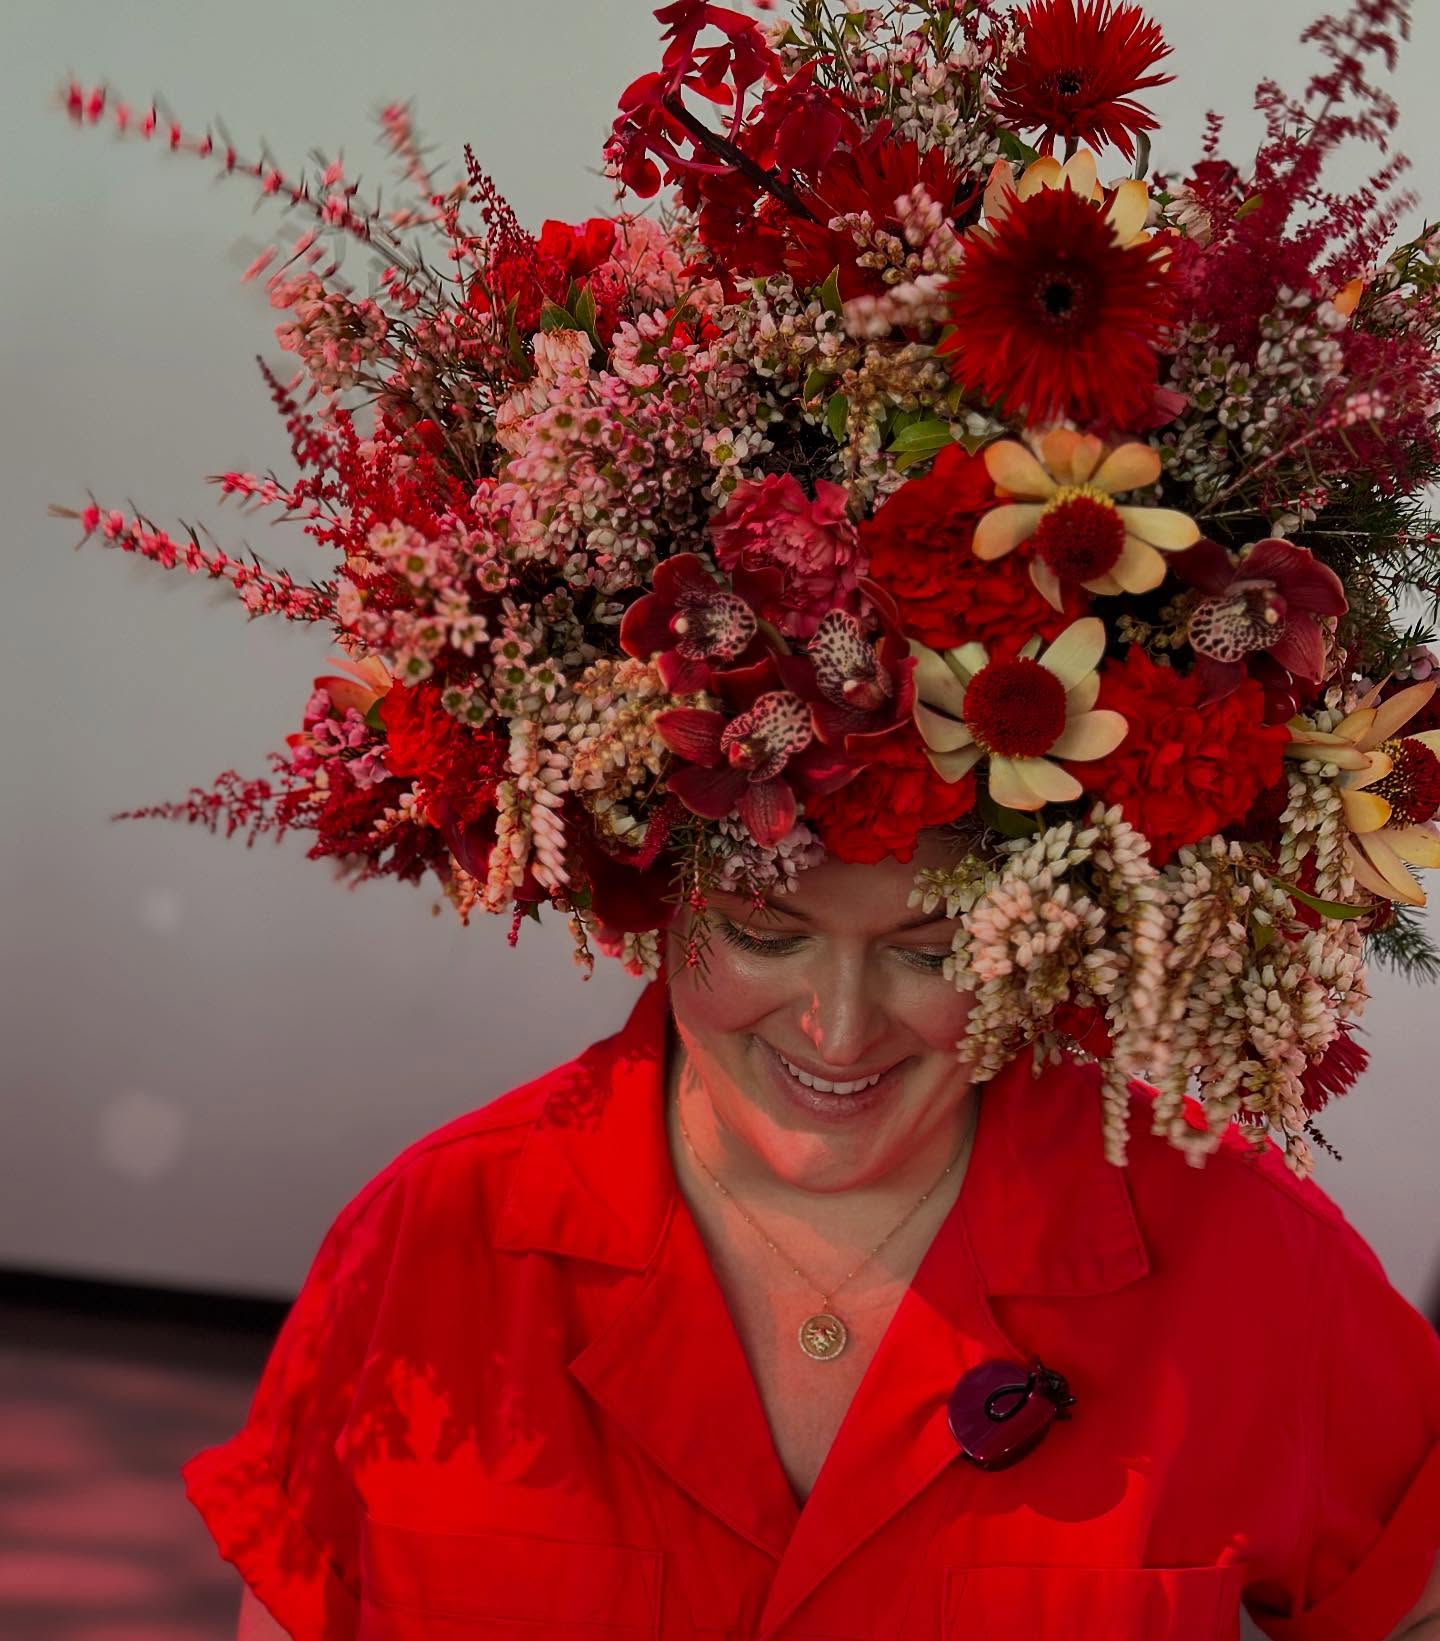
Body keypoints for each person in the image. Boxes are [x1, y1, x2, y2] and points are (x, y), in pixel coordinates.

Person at [192, 827, 1440, 1640]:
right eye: (765, 933)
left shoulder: (1240, 1253)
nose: (838, 1032)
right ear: (648, 893)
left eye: (930, 951)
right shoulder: (438, 1230)